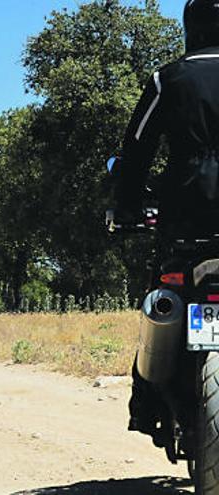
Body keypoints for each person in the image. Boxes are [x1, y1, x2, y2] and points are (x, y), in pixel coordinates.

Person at [112, 0, 219, 438]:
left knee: (161, 288)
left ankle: (146, 404)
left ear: (190, 27)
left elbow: (135, 153)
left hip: (185, 212)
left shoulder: (168, 77)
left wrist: (126, 207)